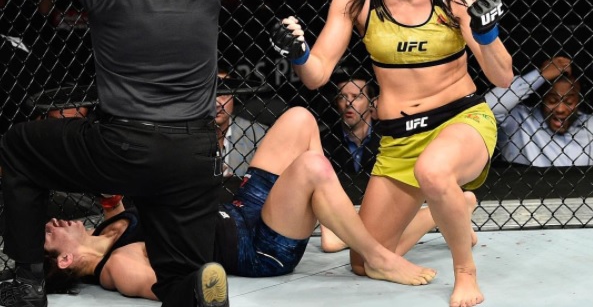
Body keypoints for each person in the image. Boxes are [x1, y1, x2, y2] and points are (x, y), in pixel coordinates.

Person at [3, 0, 253, 305]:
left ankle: (28, 281)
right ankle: (190, 288)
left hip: (122, 150)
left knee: (18, 147)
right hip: (195, 153)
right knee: (179, 272)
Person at [270, 0, 513, 307]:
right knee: (364, 262)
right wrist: (298, 53)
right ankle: (444, 212)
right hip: (400, 138)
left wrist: (488, 36)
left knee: (433, 171)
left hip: (460, 121)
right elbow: (317, 75)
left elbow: (502, 76)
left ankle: (465, 272)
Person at [42, 107, 437, 300]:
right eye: (49, 234)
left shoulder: (106, 229)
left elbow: (119, 204)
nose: (54, 222)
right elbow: (174, 290)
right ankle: (376, 258)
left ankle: (332, 226)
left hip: (242, 211)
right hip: (258, 248)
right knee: (312, 167)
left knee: (299, 119)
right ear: (64, 261)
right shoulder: (116, 267)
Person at [485, 56, 593, 167]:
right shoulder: (519, 121)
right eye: (552, 101)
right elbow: (489, 106)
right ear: (542, 98)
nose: (560, 109)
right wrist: (540, 75)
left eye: (569, 102)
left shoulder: (590, 125)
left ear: (580, 100)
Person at [323, 72, 380, 175]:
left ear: (371, 103)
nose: (348, 103)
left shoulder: (387, 138)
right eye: (342, 97)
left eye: (356, 96)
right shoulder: (324, 142)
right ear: (336, 102)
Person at [215, 68, 268, 178]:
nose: (217, 104)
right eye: (211, 94)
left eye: (224, 93)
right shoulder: (187, 136)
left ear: (234, 96)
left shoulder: (259, 135)